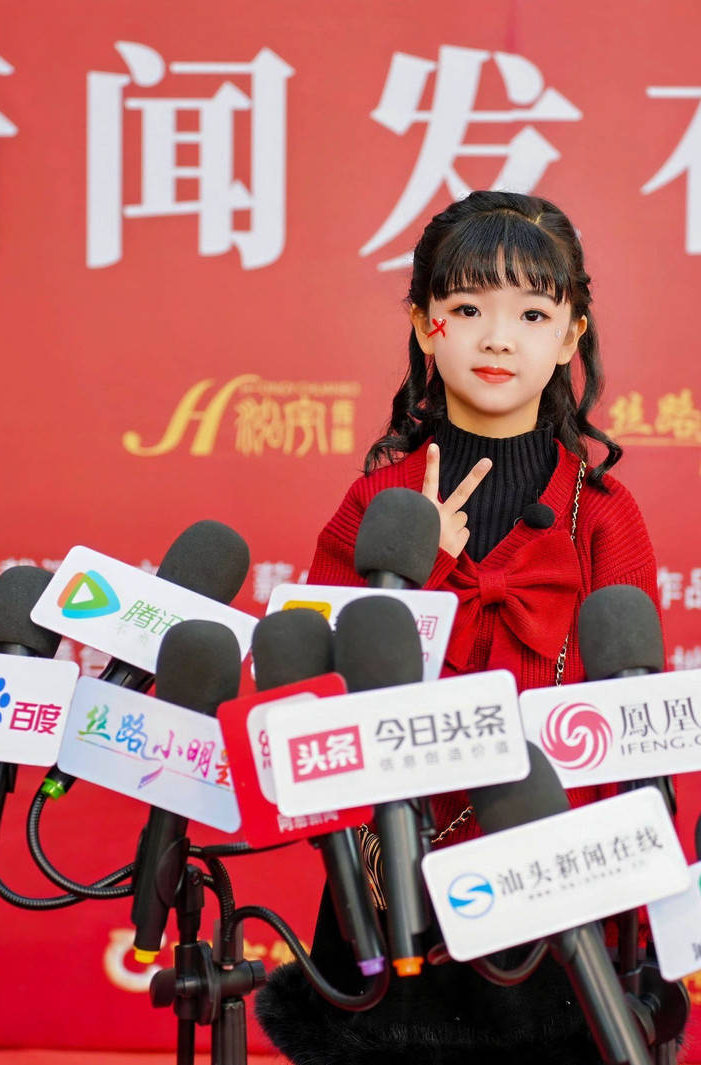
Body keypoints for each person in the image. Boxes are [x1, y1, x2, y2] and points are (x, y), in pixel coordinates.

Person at [254, 190, 661, 1065]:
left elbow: (635, 724)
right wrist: (420, 567)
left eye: (532, 313)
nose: (498, 338)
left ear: (572, 334)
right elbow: (318, 698)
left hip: (553, 888)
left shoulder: (604, 513)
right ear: (424, 325)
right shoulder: (376, 501)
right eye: (468, 308)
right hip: (392, 887)